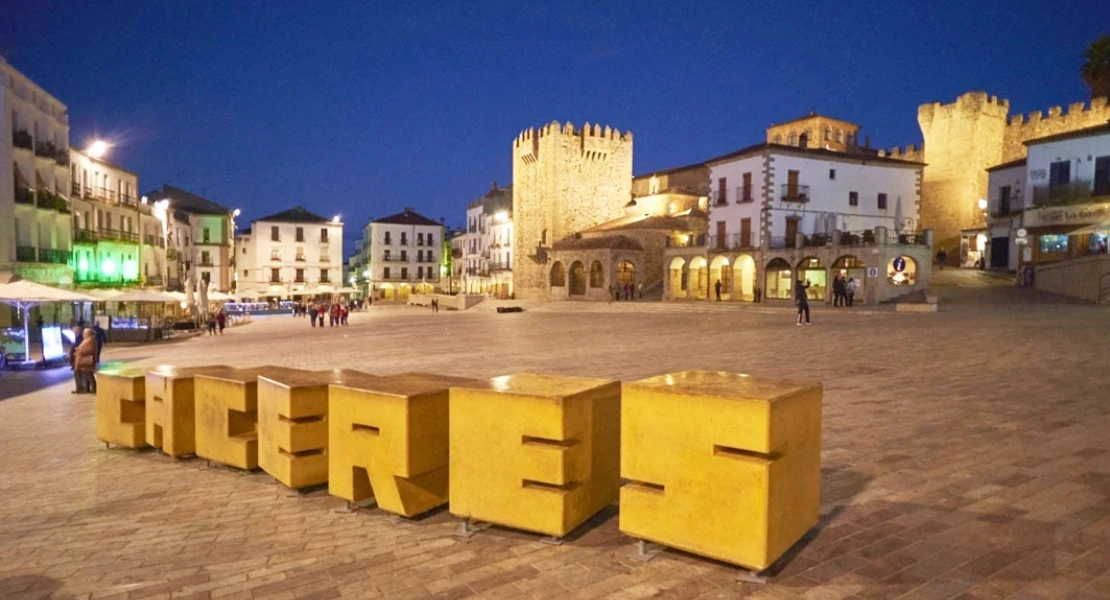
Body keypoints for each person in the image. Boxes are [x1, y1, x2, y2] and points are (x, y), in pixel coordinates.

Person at [72, 327, 98, 394]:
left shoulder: (90, 340)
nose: (83, 334)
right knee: (86, 375)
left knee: (89, 375)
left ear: (88, 333)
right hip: (81, 360)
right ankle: (86, 388)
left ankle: (94, 388)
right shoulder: (87, 340)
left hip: (86, 361)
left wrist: (79, 350)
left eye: (85, 333)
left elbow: (89, 350)